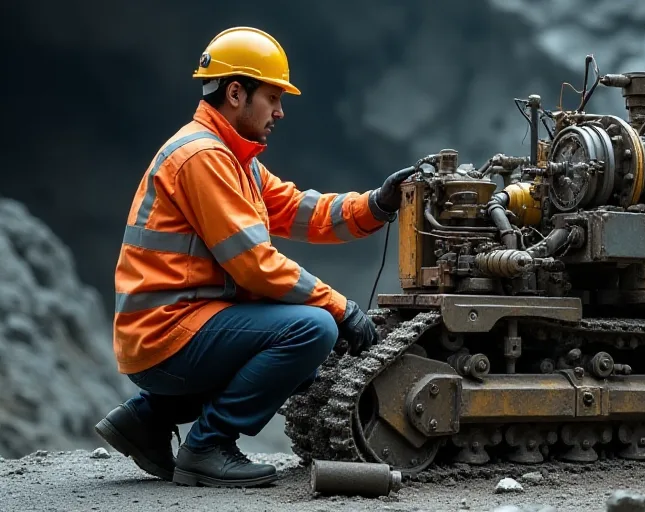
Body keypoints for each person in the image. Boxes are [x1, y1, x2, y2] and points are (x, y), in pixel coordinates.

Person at [93, 26, 415, 488]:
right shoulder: (203, 157)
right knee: (312, 330)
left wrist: (376, 205)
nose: (280, 111)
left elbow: (300, 210)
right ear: (236, 93)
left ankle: (147, 418)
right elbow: (254, 264)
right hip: (167, 334)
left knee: (303, 342)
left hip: (172, 328)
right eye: (273, 98)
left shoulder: (234, 158)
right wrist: (340, 308)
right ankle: (207, 446)